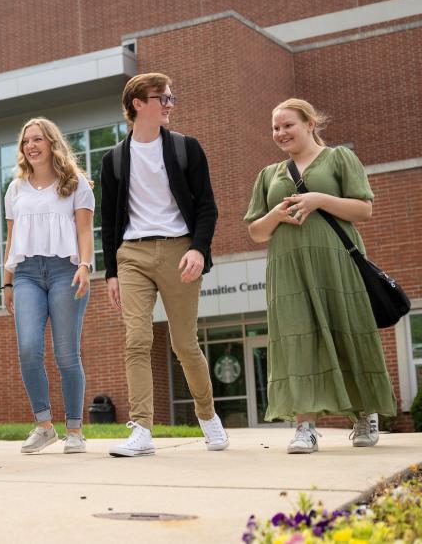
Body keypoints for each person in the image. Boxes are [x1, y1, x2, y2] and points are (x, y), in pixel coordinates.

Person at [244, 98, 395, 454]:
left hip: (336, 263)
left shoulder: (340, 158)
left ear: (310, 123)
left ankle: (364, 415)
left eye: (288, 125)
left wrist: (318, 200)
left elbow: (364, 208)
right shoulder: (269, 175)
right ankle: (305, 428)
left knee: (348, 332)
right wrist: (276, 216)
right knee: (296, 341)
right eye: (275, 128)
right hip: (288, 270)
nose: (280, 133)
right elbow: (256, 232)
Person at [100, 72, 229, 457]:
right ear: (138, 104)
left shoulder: (186, 148)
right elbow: (110, 221)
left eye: (171, 97)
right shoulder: (115, 159)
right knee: (137, 340)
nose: (170, 104)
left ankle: (207, 415)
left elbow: (206, 205)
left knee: (184, 344)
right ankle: (141, 429)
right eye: (162, 98)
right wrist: (111, 272)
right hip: (132, 255)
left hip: (179, 252)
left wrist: (199, 249)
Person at [2, 117, 95, 454]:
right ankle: (44, 426)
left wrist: (85, 266)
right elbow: (12, 237)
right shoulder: (15, 189)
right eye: (27, 141)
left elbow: (85, 231)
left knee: (66, 354)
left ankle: (74, 430)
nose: (31, 146)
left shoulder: (75, 183)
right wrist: (7, 282)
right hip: (26, 273)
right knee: (28, 348)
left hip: (65, 271)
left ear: (52, 143)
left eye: (38, 139)